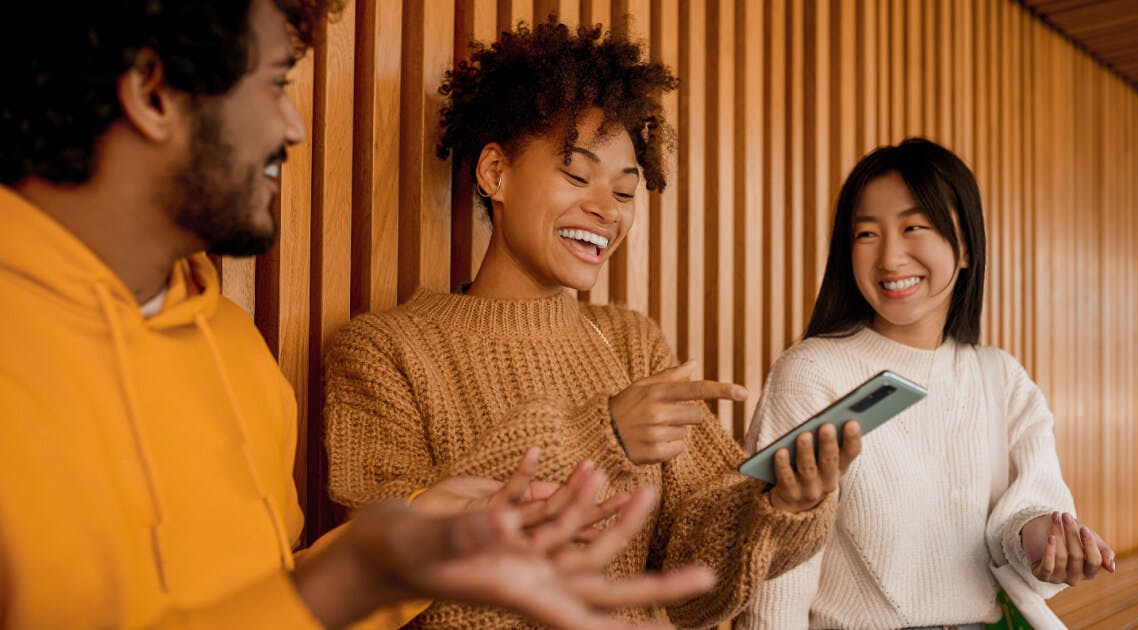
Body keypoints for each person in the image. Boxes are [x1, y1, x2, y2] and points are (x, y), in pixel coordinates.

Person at [0, 2, 715, 628]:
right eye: (277, 83)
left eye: (625, 189)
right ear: (152, 93)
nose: (295, 124)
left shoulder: (235, 350)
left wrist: (401, 550)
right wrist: (353, 575)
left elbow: (272, 599)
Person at [324, 19, 860, 629]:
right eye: (577, 176)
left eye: (626, 193)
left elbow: (692, 586)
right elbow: (389, 582)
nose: (605, 210)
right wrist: (599, 439)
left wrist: (780, 503)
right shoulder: (382, 351)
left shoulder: (631, 342)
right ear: (495, 172)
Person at [739, 138, 1116, 629]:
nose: (891, 258)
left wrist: (1048, 538)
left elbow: (1027, 509)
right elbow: (778, 564)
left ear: (964, 248)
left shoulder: (999, 377)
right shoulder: (813, 371)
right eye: (866, 234)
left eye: (914, 227)